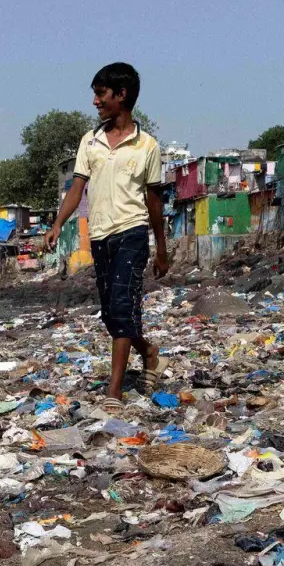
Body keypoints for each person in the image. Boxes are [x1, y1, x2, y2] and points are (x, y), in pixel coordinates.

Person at [44, 62, 171, 408]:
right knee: (111, 314)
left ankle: (114, 392)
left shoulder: (147, 146)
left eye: (100, 94)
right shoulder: (91, 141)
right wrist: (58, 223)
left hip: (132, 232)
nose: (95, 102)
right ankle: (148, 351)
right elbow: (77, 188)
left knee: (122, 305)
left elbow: (154, 203)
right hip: (99, 237)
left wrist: (161, 250)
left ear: (122, 95)